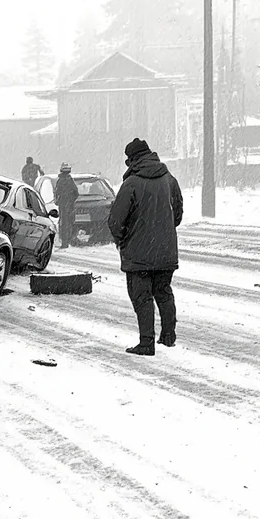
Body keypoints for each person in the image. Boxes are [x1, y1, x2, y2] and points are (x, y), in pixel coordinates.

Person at [107, 137, 183, 356]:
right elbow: (177, 214)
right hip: (166, 251)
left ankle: (146, 343)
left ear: (132, 160)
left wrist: (123, 239)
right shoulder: (169, 179)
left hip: (138, 253)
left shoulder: (131, 184)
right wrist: (164, 232)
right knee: (163, 291)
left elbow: (115, 221)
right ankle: (168, 335)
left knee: (142, 297)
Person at [53, 163, 79, 249]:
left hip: (63, 206)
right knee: (70, 223)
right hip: (69, 206)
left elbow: (56, 193)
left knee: (64, 224)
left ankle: (65, 242)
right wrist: (71, 201)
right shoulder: (70, 180)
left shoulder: (60, 180)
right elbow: (76, 193)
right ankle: (69, 240)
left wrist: (59, 201)